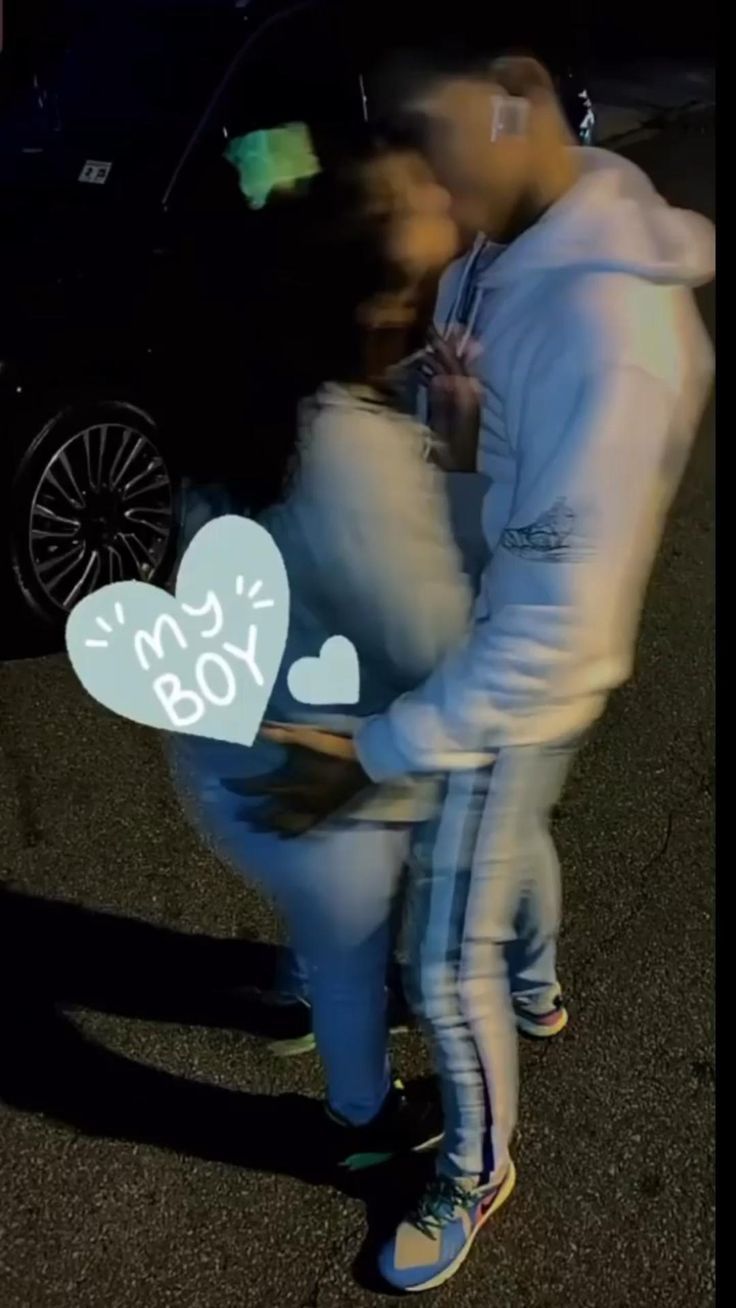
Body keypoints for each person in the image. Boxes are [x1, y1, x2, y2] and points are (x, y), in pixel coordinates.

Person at [258, 54, 715, 1291]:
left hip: (514, 676)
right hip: (494, 642)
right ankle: (541, 983)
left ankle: (474, 1164)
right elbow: (496, 470)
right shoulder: (509, 238)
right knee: (513, 851)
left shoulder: (610, 334)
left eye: (438, 129)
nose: (425, 165)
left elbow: (557, 625)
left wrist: (385, 744)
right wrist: (456, 426)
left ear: (517, 94)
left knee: (438, 959)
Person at [169, 130, 473, 1168]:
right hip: (311, 786)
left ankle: (295, 986)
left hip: (229, 757)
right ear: (386, 305)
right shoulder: (350, 458)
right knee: (356, 958)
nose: (438, 182)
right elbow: (438, 647)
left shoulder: (249, 382)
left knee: (319, 932)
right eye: (417, 203)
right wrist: (463, 475)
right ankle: (358, 1120)